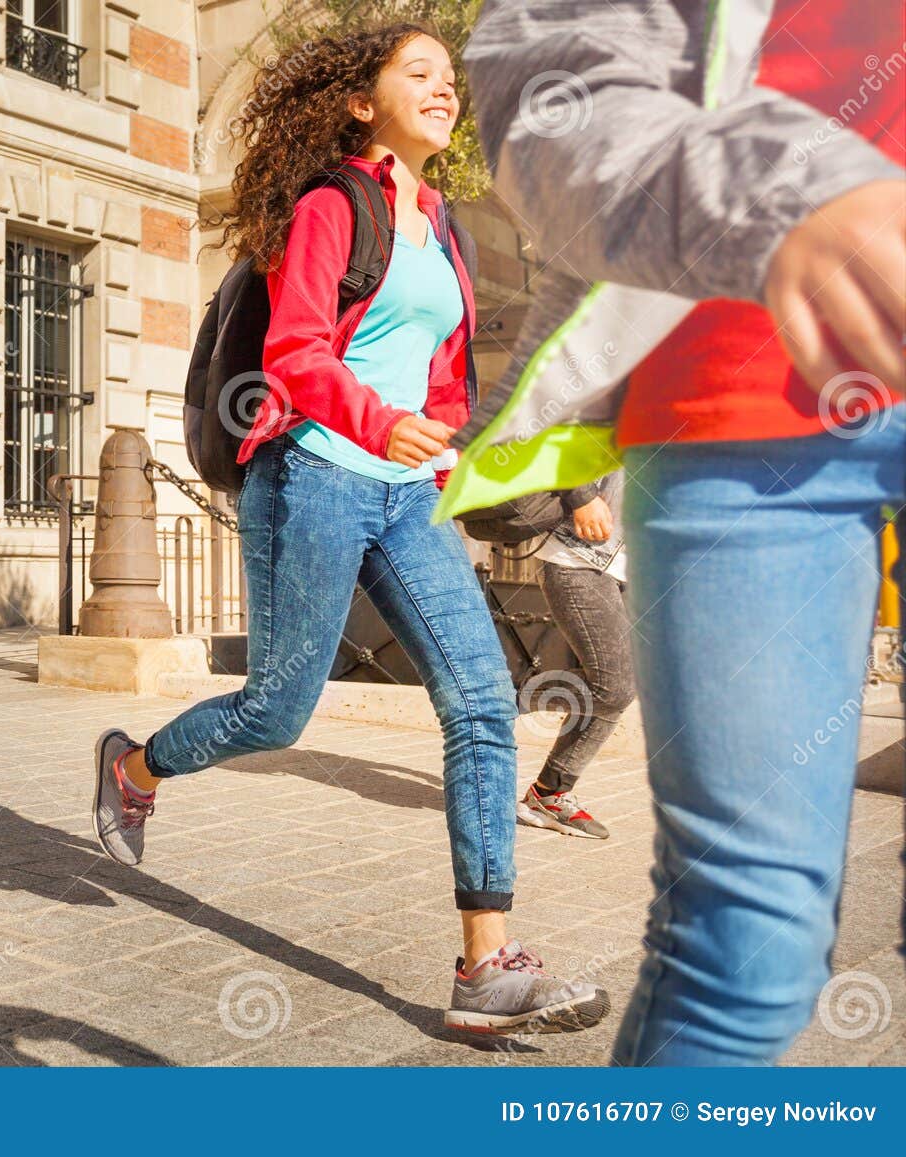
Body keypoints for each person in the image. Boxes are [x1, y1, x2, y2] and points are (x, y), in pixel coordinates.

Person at [93, 25, 608, 1035]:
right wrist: (377, 421)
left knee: (481, 705)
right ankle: (133, 767)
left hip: (408, 492)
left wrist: (450, 456)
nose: (442, 88)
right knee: (278, 711)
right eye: (417, 72)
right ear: (360, 102)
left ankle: (484, 964)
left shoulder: (447, 228)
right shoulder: (333, 204)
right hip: (314, 477)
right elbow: (292, 352)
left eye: (449, 79)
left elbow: (446, 373)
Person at [454, 0, 904, 1063]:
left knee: (573, 689)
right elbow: (545, 75)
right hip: (745, 397)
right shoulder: (356, 208)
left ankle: (540, 809)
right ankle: (539, 817)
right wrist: (783, 195)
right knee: (747, 942)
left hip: (654, 475)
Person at [518, 472, 633, 840]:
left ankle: (549, 793)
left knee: (621, 686)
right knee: (613, 685)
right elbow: (565, 427)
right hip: (579, 554)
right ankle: (488, 698)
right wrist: (582, 495)